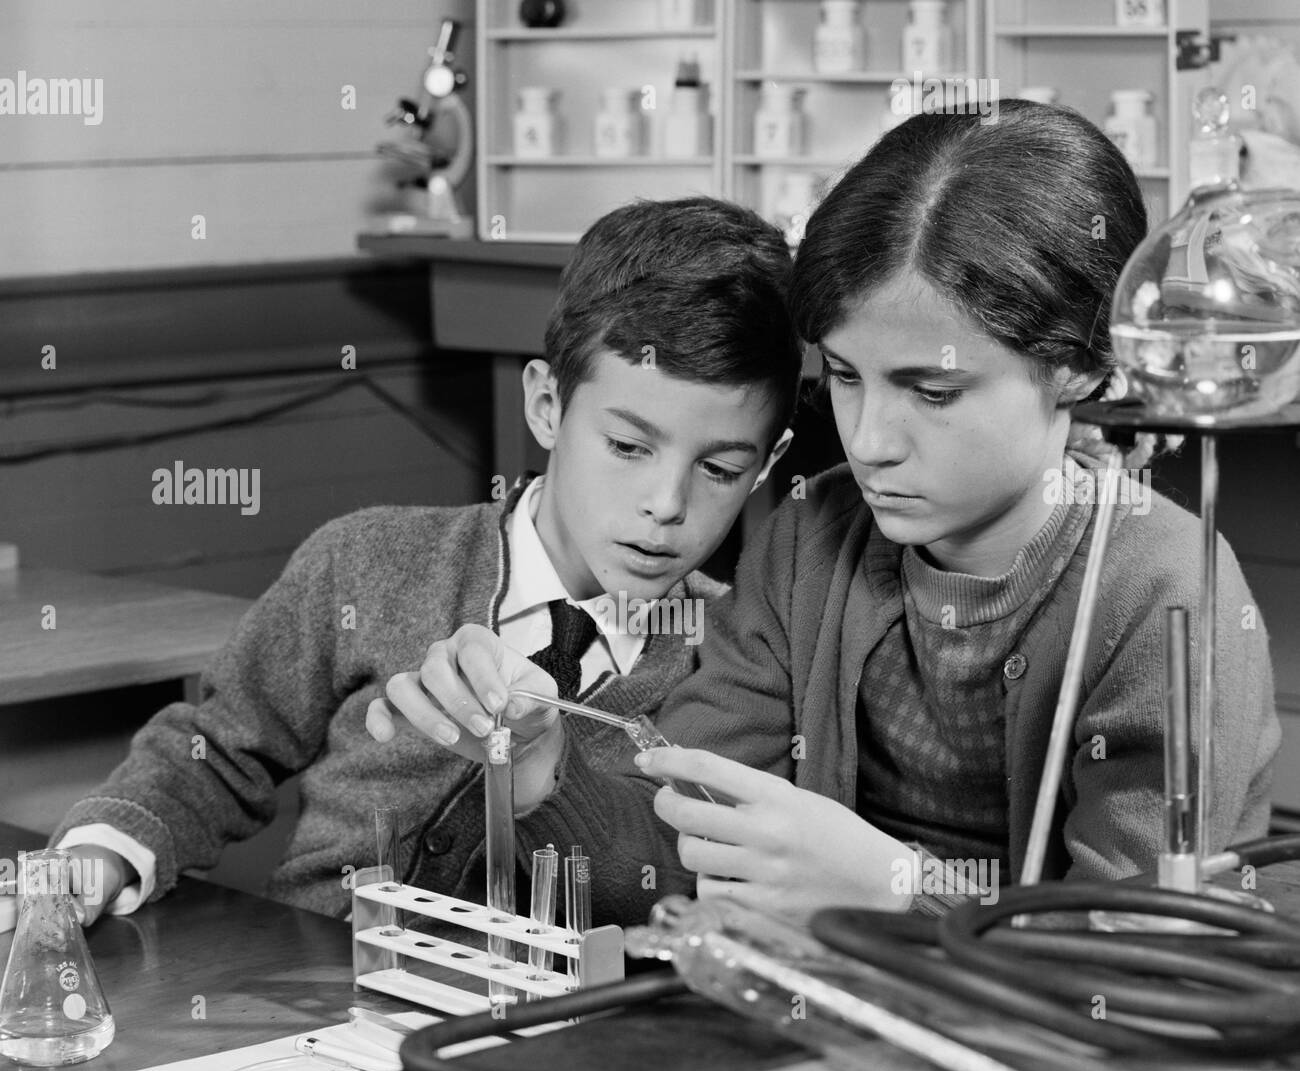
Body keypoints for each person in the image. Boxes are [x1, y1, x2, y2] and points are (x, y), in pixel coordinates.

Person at [385, 102, 1280, 924]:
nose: (870, 440)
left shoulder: (1164, 592)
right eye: (846, 378)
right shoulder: (812, 543)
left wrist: (895, 892)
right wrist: (545, 778)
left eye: (931, 390)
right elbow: (670, 849)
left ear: (1079, 367)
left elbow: (1133, 963)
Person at [46, 196, 800, 925]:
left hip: (535, 1038)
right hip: (302, 1000)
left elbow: (676, 892)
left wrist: (550, 771)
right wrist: (103, 851)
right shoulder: (368, 560)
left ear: (768, 467)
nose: (666, 504)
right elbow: (213, 752)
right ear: (546, 405)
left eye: (721, 470)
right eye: (628, 447)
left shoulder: (738, 660)